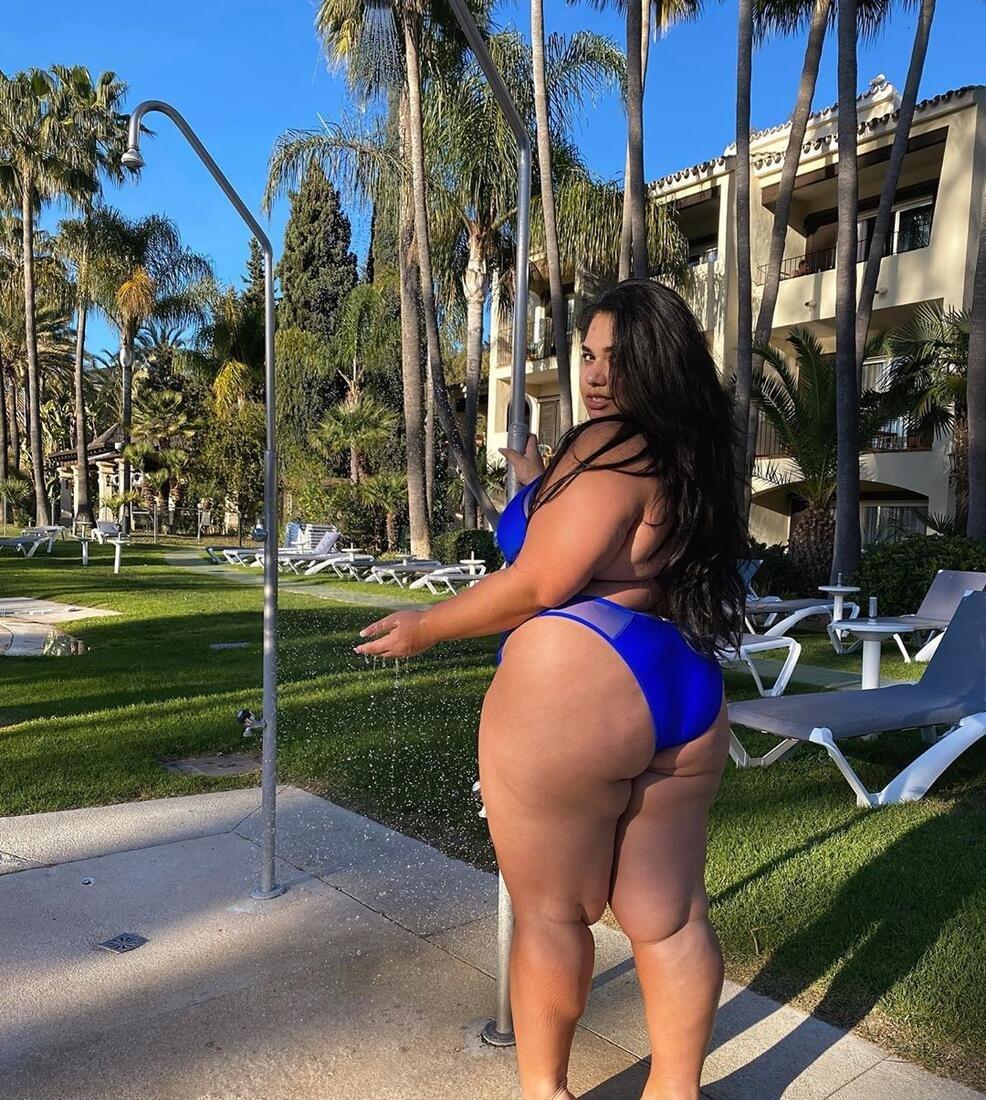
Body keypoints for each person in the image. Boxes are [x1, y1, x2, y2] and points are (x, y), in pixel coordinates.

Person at [354, 278, 747, 1100]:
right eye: (590, 355)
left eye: (619, 358)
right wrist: (535, 480)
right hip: (681, 686)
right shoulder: (690, 453)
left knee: (550, 916)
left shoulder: (606, 446)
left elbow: (540, 580)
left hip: (581, 686)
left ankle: (545, 1091)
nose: (598, 375)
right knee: (671, 919)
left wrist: (427, 626)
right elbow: (596, 542)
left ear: (660, 363)